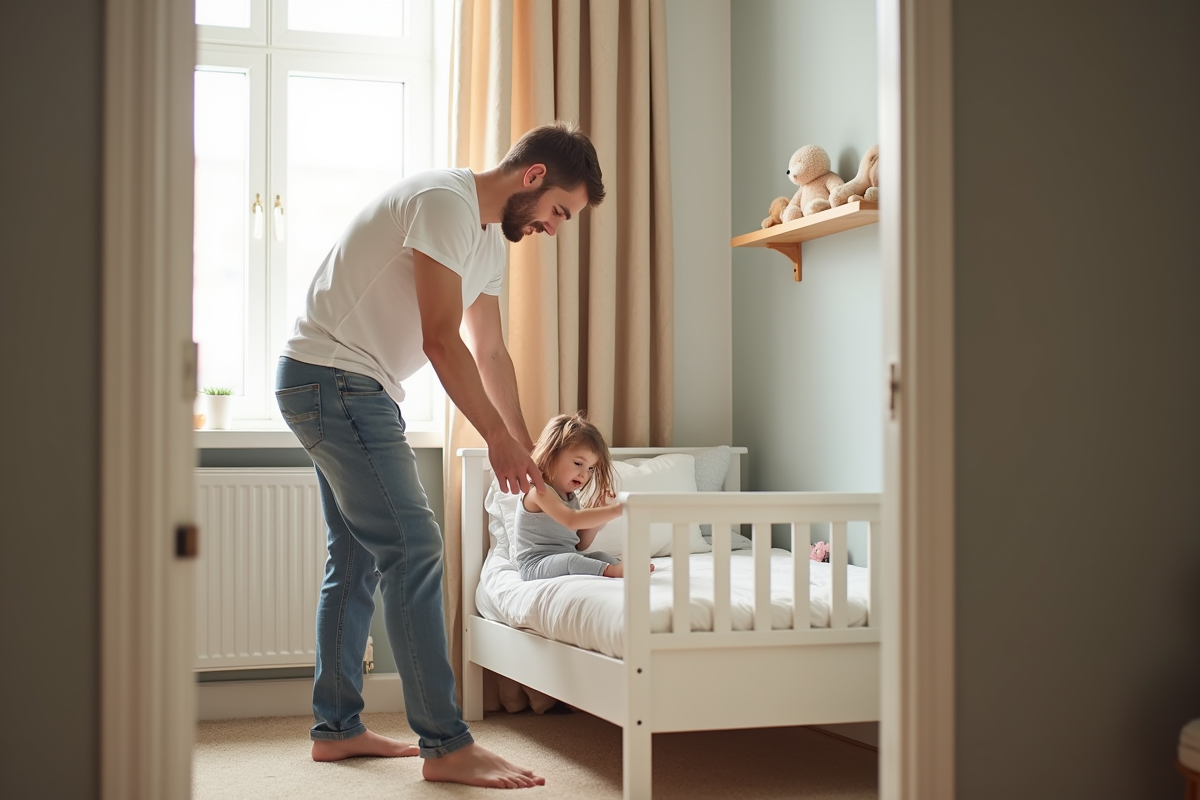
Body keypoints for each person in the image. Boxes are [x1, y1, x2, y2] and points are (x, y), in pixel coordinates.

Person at [274, 121, 605, 789]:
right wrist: (498, 440)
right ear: (533, 177)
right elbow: (441, 341)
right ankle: (445, 743)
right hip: (336, 379)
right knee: (415, 547)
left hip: (343, 383)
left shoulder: (490, 241)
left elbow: (489, 352)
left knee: (361, 553)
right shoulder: (445, 203)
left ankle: (336, 729)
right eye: (559, 212)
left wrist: (525, 449)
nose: (555, 227)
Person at [513, 412, 651, 580]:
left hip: (565, 556)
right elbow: (571, 520)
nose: (584, 474)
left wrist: (601, 511)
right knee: (571, 560)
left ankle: (622, 566)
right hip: (535, 565)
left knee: (599, 556)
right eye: (578, 463)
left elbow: (580, 544)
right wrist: (618, 509)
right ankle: (613, 571)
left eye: (591, 468)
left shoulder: (571, 498)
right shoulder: (539, 491)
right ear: (551, 454)